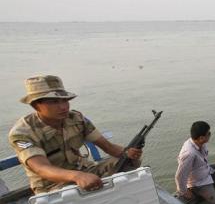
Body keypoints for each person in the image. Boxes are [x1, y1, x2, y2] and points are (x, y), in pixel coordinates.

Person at [9, 75, 142, 194]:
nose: (63, 107)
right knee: (73, 196)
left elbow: (108, 147)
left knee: (126, 161)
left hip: (86, 170)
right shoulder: (23, 133)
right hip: (52, 185)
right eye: (54, 102)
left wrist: (128, 153)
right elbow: (42, 168)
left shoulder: (76, 118)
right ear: (36, 105)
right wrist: (77, 177)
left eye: (65, 100)